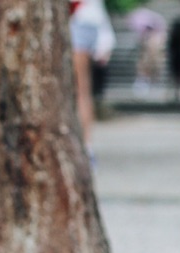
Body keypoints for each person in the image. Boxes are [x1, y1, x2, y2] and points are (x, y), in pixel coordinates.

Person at [69, 0, 115, 152]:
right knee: (82, 90)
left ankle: (86, 146)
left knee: (80, 89)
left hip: (79, 19)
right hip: (87, 20)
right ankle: (86, 146)